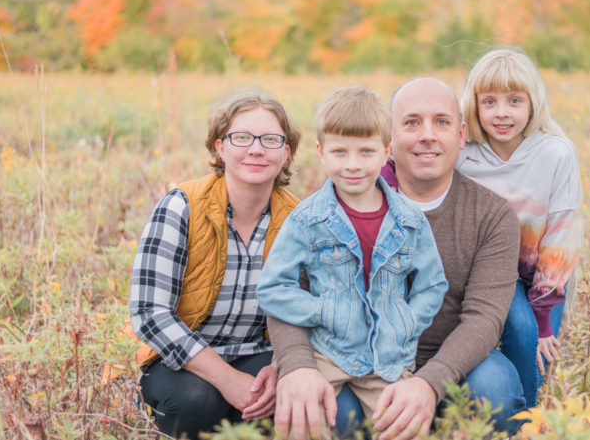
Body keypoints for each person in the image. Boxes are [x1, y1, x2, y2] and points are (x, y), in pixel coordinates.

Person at [267, 77, 526, 440]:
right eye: (411, 122)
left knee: (494, 391)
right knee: (327, 414)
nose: (427, 136)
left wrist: (429, 383)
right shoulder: (328, 211)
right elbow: (286, 292)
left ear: (461, 134)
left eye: (441, 122)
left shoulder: (492, 214)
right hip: (351, 356)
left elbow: (485, 317)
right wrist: (296, 364)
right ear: (389, 138)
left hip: (450, 354)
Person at [256, 85, 448, 437]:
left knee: (404, 428)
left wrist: (406, 320)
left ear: (386, 152)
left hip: (389, 356)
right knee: (301, 422)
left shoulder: (409, 220)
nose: (353, 165)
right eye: (340, 152)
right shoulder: (307, 220)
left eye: (366, 151)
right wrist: (324, 311)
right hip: (327, 351)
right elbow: (273, 287)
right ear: (321, 152)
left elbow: (432, 284)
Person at [129, 90, 301, 439]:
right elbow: (150, 312)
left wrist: (281, 364)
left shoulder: (300, 220)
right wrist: (228, 380)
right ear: (220, 147)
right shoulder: (181, 206)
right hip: (182, 360)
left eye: (270, 139)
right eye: (242, 137)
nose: (256, 149)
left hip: (260, 355)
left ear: (286, 153)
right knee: (197, 401)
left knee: (288, 397)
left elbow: (311, 310)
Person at [455, 46, 583, 408]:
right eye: (490, 101)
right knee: (522, 330)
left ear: (532, 103)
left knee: (539, 338)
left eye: (514, 100)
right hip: (493, 270)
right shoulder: (465, 155)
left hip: (546, 271)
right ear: (475, 105)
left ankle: (527, 414)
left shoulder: (555, 153)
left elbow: (560, 237)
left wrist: (545, 315)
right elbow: (413, 163)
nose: (502, 113)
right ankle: (514, 414)